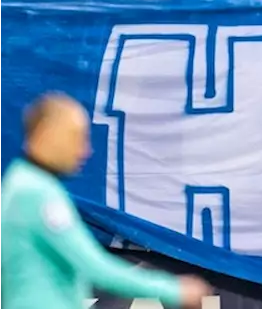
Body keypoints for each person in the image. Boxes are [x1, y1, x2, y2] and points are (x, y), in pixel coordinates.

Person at [0, 93, 210, 309]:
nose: (85, 151)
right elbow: (94, 266)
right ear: (47, 134)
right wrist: (174, 291)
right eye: (76, 137)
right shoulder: (35, 194)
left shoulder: (23, 184)